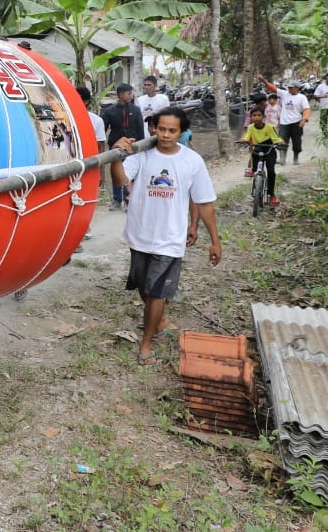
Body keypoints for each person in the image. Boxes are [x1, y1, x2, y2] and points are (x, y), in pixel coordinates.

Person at [110, 108, 222, 365]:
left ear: (181, 132)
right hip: (139, 233)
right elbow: (120, 181)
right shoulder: (142, 155)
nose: (166, 135)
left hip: (170, 238)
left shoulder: (192, 161)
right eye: (162, 129)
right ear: (154, 129)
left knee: (157, 292)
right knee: (143, 288)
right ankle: (159, 321)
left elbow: (204, 202)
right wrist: (117, 156)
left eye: (172, 130)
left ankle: (146, 344)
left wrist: (215, 241)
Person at [100, 83, 144, 210]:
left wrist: (141, 146)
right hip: (117, 147)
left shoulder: (135, 110)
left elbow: (140, 128)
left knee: (131, 173)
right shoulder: (109, 111)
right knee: (116, 173)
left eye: (131, 93)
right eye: (128, 93)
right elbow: (102, 130)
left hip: (133, 147)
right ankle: (117, 200)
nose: (131, 96)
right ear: (120, 95)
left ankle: (128, 198)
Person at [76, 85, 107, 244]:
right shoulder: (65, 118)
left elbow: (100, 147)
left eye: (78, 98)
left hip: (89, 165)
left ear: (86, 101)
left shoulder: (96, 120)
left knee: (86, 197)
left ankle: (84, 228)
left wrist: (100, 171)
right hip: (70, 166)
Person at [258, 73, 310, 164]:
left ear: (297, 88)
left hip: (296, 122)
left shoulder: (302, 98)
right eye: (288, 87)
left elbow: (306, 109)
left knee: (297, 142)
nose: (289, 89)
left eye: (291, 87)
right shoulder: (284, 94)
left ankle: (295, 158)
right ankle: (282, 159)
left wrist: (304, 119)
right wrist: (263, 80)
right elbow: (272, 88)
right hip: (284, 123)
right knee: (281, 141)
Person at [238, 106, 285, 206]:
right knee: (255, 170)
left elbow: (275, 138)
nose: (256, 117)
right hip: (258, 148)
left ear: (263, 116)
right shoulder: (250, 127)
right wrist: (244, 140)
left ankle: (271, 195)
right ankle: (256, 182)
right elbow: (247, 136)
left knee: (271, 171)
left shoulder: (269, 127)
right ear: (251, 117)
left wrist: (280, 142)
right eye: (254, 115)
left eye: (259, 115)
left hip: (269, 149)